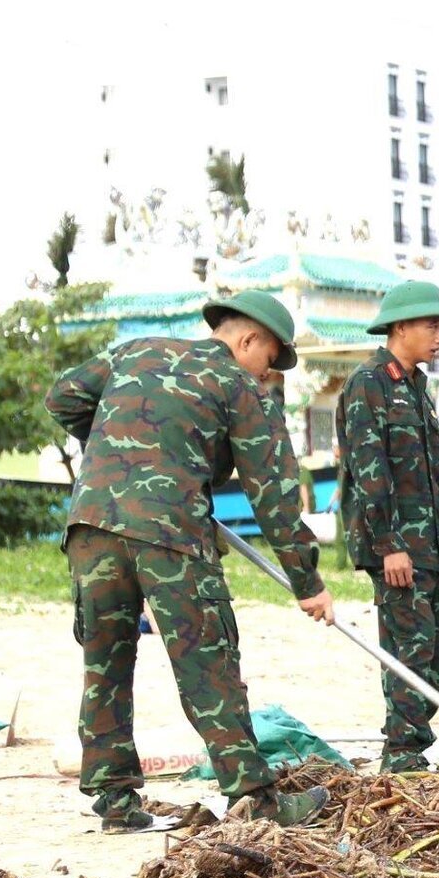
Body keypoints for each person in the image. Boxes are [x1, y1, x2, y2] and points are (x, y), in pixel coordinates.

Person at [45, 290, 333, 831]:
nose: (267, 373)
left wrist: (123, 445)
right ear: (248, 339)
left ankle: (116, 803)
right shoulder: (237, 386)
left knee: (105, 663)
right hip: (171, 533)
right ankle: (256, 800)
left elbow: (62, 399)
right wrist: (307, 581)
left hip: (92, 527)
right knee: (208, 666)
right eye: (270, 359)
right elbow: (271, 492)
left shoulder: (134, 351)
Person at [337, 280, 439, 773]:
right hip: (400, 549)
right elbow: (369, 472)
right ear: (399, 326)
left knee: (434, 653)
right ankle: (401, 755)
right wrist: (388, 546)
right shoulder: (369, 385)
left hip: (436, 547)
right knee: (409, 650)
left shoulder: (416, 389)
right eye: (432, 324)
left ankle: (412, 748)